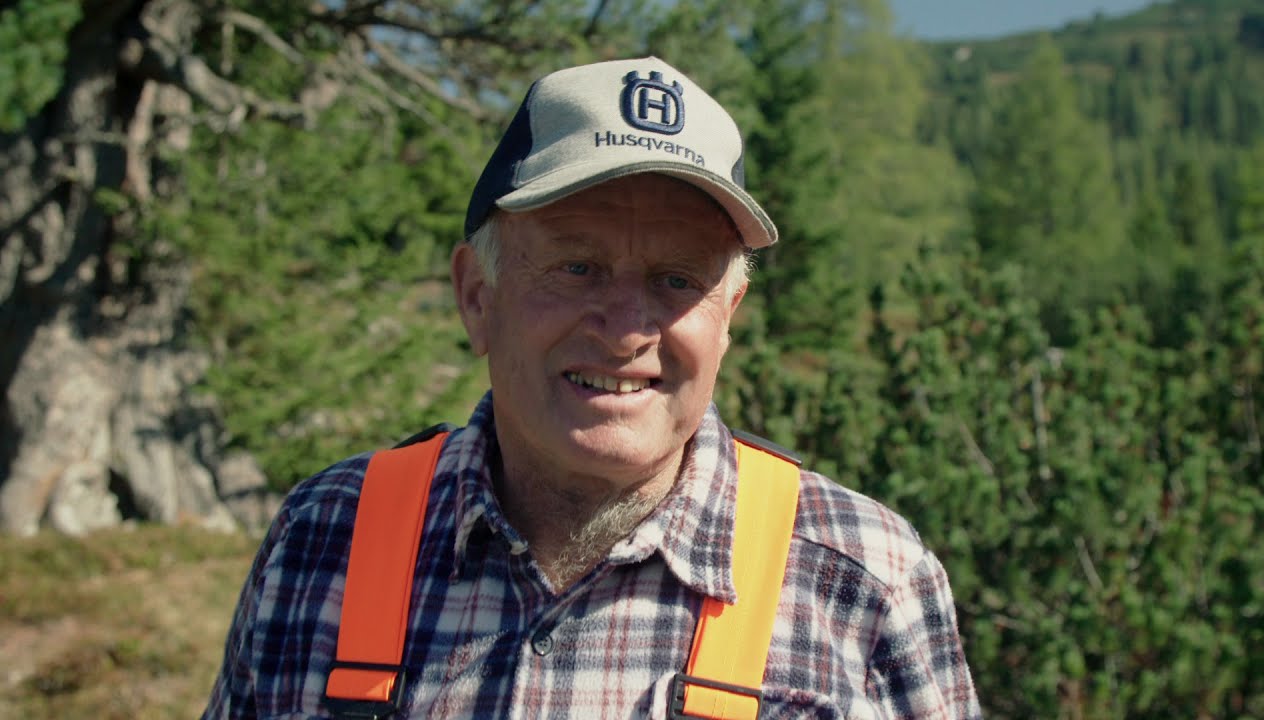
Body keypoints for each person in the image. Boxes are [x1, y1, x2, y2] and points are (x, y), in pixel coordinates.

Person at [203, 56, 981, 719]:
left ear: (728, 317)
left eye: (677, 279)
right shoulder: (325, 538)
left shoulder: (865, 578)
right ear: (477, 297)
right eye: (577, 267)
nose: (625, 327)